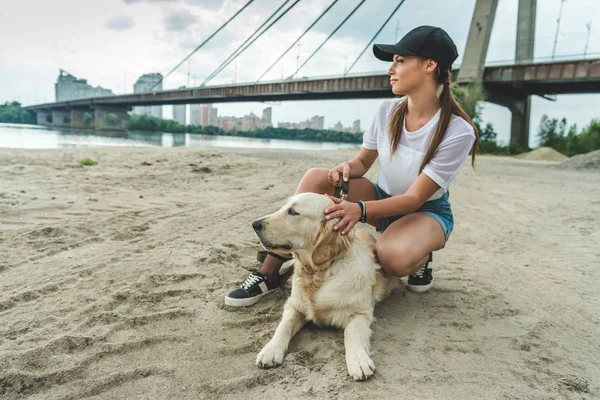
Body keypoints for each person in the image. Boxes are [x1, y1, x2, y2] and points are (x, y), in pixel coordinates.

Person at [225, 25, 479, 307]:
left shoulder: (458, 131)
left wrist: (360, 210)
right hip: (382, 198)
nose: (390, 70)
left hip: (424, 212)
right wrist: (345, 168)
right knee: (317, 178)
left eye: (400, 60)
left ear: (429, 65)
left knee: (391, 258)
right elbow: (362, 162)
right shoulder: (387, 111)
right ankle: (269, 272)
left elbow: (414, 198)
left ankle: (421, 253)